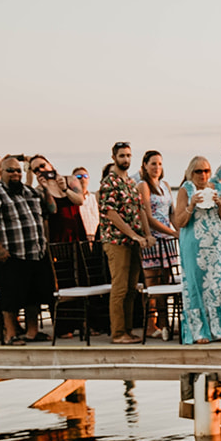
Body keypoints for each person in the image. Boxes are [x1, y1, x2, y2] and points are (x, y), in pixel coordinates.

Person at [172, 155, 221, 343]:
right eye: (198, 171)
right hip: (194, 245)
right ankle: (199, 332)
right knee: (196, 285)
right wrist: (192, 205)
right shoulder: (186, 190)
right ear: (191, 173)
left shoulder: (216, 188)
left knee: (216, 285)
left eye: (206, 170)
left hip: (216, 245)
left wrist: (220, 203)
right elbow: (179, 222)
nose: (203, 175)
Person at [0, 156, 52, 344]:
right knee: (10, 297)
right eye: (10, 170)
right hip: (12, 253)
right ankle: (10, 334)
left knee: (34, 296)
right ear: (1, 172)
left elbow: (45, 215)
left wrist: (45, 242)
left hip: (36, 252)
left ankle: (32, 332)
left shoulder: (30, 192)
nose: (15, 174)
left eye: (18, 170)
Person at [98, 142, 153, 344]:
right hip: (116, 241)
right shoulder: (108, 183)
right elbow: (110, 213)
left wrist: (146, 234)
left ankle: (128, 330)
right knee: (120, 288)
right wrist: (133, 235)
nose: (126, 159)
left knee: (131, 288)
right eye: (122, 156)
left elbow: (141, 209)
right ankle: (118, 332)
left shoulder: (130, 182)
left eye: (128, 156)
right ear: (114, 157)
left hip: (134, 242)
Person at [138, 150, 177, 340]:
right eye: (153, 164)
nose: (157, 167)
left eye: (159, 164)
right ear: (145, 165)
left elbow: (172, 213)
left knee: (166, 281)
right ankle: (150, 325)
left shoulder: (166, 185)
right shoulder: (143, 186)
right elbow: (147, 216)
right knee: (153, 283)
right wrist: (170, 231)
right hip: (153, 239)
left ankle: (165, 324)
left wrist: (178, 231)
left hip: (168, 240)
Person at [32, 156, 88, 246]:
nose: (41, 170)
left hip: (76, 230)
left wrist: (65, 189)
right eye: (36, 170)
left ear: (49, 164)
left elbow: (80, 201)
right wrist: (46, 188)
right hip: (57, 234)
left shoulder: (70, 180)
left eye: (42, 165)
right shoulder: (40, 190)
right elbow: (52, 210)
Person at [72, 168, 100, 238]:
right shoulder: (71, 200)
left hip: (95, 237)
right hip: (79, 238)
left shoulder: (94, 198)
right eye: (79, 177)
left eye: (85, 176)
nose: (82, 179)